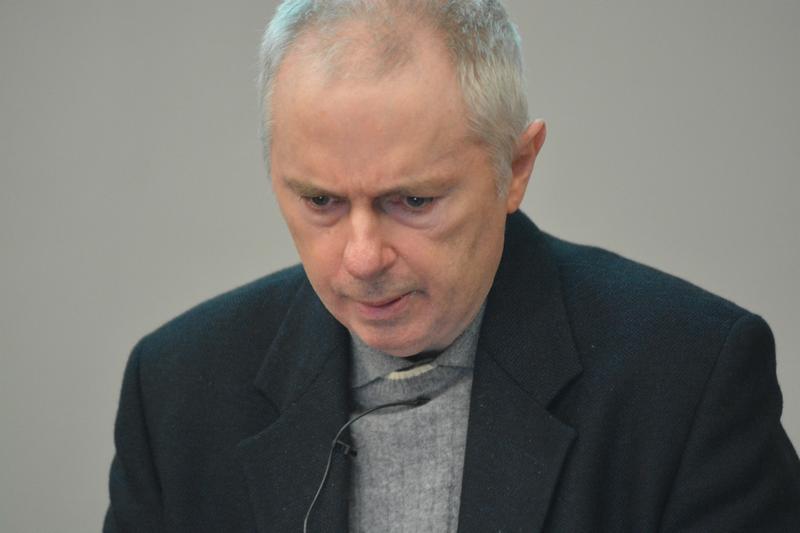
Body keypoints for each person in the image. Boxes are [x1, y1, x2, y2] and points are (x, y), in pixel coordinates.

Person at [104, 1, 800, 531]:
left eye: (413, 200)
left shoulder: (691, 379)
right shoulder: (174, 390)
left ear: (515, 168)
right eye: (320, 201)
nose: (362, 258)